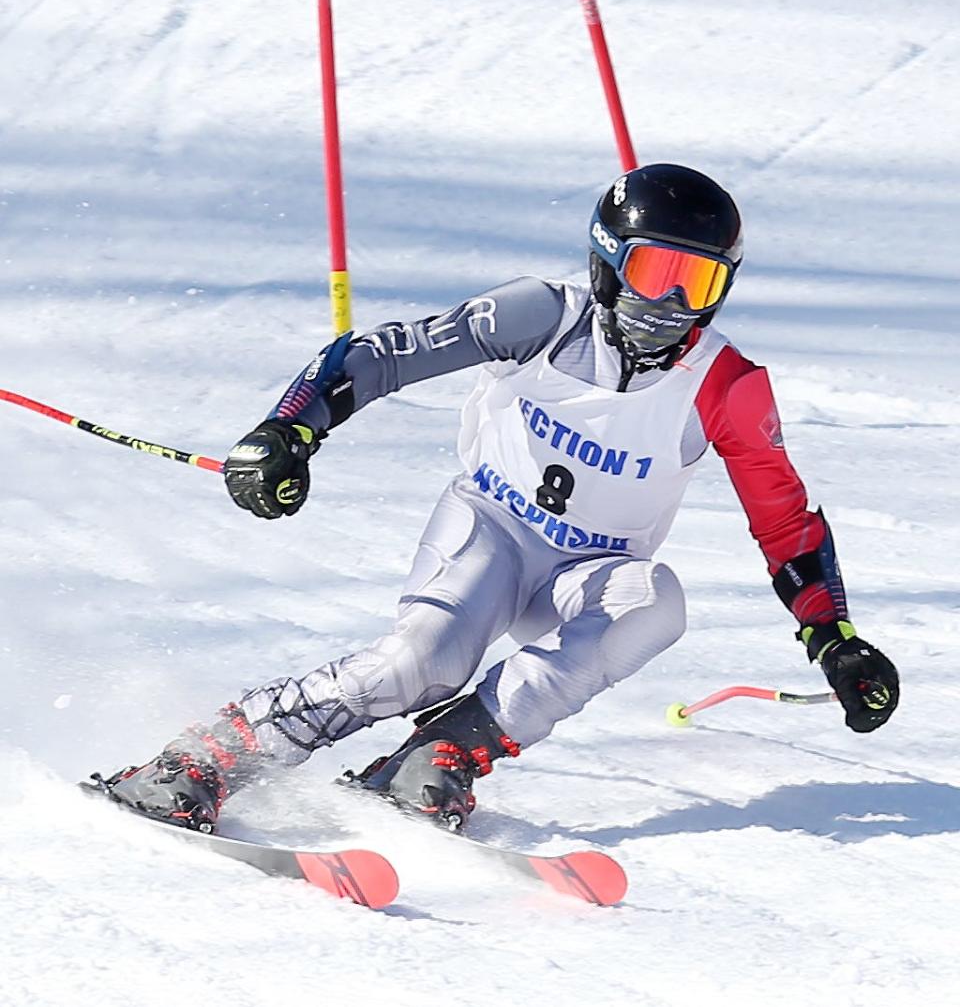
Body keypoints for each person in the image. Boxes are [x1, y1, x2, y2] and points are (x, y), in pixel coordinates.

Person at [98, 164, 899, 833]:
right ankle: (203, 760)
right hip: (492, 528)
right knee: (423, 661)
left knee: (657, 602)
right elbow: (382, 355)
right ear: (608, 261)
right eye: (657, 272)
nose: (670, 305)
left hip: (589, 569)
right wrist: (290, 430)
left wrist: (833, 638)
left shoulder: (727, 385)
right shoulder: (540, 315)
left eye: (698, 283)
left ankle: (438, 755)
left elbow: (785, 520)